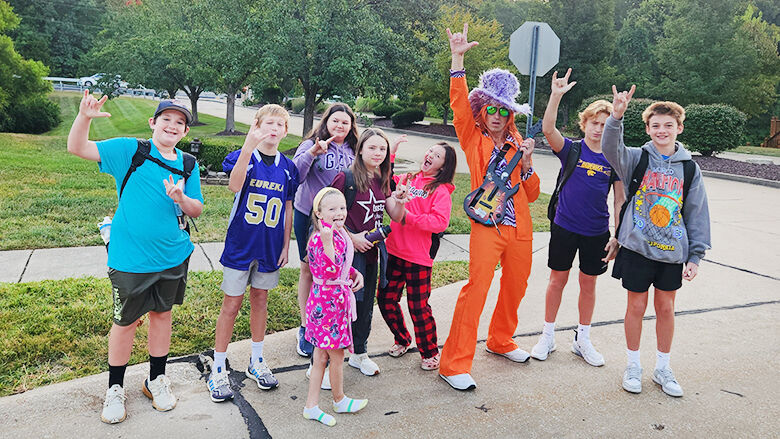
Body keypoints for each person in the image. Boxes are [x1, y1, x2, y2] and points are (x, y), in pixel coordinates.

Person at [66, 92, 203, 423]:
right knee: (125, 322)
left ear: (184, 131)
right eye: (166, 119)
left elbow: (197, 208)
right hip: (129, 259)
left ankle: (156, 379)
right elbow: (78, 148)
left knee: (162, 315)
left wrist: (182, 197)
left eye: (180, 122)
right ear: (153, 123)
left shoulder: (187, 164)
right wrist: (84, 117)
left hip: (172, 256)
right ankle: (115, 388)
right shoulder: (131, 150)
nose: (173, 125)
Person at [438, 24, 540, 391]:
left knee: (516, 286)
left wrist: (527, 165)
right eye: (492, 109)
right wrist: (458, 59)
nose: (497, 115)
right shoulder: (473, 138)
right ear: (483, 112)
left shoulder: (517, 146)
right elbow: (458, 106)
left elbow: (531, 194)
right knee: (477, 288)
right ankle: (454, 364)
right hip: (487, 225)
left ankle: (501, 339)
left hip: (520, 228)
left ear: (510, 114)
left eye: (504, 111)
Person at [602, 85, 711, 397]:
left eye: (668, 125)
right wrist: (617, 116)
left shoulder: (690, 169)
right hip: (637, 247)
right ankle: (633, 365)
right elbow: (611, 149)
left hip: (672, 253)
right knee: (636, 305)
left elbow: (696, 213)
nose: (662, 131)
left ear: (679, 127)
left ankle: (663, 367)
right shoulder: (637, 158)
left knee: (666, 308)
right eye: (655, 126)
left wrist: (695, 256)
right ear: (647, 129)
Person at [530, 68, 626, 366]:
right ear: (584, 124)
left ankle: (582, 338)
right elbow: (547, 129)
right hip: (564, 226)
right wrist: (555, 96)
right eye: (594, 123)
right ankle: (547, 335)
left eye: (604, 124)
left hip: (596, 232)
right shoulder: (571, 150)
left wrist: (617, 236)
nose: (598, 129)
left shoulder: (615, 160)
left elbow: (620, 200)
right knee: (557, 280)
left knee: (589, 284)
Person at [206, 104, 299, 402]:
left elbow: (287, 209)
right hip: (241, 244)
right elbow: (234, 185)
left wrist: (286, 244)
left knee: (261, 301)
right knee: (231, 305)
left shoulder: (288, 166)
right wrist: (249, 143)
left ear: (286, 131)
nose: (273, 129)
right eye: (267, 124)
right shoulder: (245, 156)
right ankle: (218, 365)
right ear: (257, 125)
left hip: (270, 245)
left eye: (279, 125)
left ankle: (256, 359)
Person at [330, 128, 407, 376]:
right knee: (344, 305)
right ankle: (330, 356)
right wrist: (352, 238)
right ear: (360, 149)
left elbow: (396, 215)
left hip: (373, 251)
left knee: (365, 308)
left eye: (382, 149)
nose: (377, 153)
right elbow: (325, 218)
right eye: (372, 148)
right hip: (348, 256)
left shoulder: (383, 178)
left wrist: (400, 199)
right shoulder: (346, 178)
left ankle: (359, 353)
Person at [377, 142, 457, 371]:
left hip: (418, 257)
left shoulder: (440, 190)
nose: (430, 154)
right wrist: (390, 154)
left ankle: (430, 352)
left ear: (443, 166)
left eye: (437, 155)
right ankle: (402, 339)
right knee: (385, 299)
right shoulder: (409, 178)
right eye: (430, 150)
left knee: (418, 307)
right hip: (393, 251)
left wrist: (407, 216)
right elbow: (387, 180)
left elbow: (440, 222)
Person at [292, 104, 359, 359]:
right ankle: (306, 326)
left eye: (345, 122)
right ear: (326, 121)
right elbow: (295, 176)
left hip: (340, 218)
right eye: (335, 121)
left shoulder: (354, 149)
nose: (340, 126)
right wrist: (312, 152)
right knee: (309, 269)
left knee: (336, 271)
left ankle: (333, 323)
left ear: (351, 125)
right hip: (309, 214)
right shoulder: (312, 143)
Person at [303, 187, 367, 426]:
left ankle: (311, 406)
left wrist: (354, 274)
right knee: (337, 355)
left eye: (341, 207)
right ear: (319, 214)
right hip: (326, 305)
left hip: (336, 302)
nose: (339, 212)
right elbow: (328, 270)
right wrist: (328, 243)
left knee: (321, 356)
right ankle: (339, 399)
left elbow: (343, 265)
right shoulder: (321, 238)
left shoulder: (338, 233)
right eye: (332, 209)